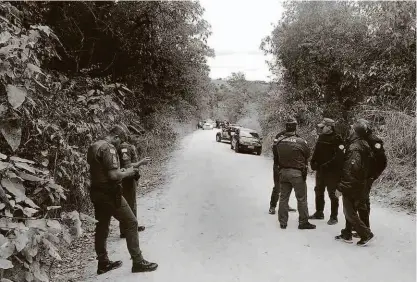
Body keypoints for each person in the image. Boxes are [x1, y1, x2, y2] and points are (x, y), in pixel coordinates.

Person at [87, 125, 158, 274]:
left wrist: (121, 171)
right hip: (110, 194)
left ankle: (103, 263)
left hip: (96, 193)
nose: (120, 146)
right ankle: (138, 261)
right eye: (120, 142)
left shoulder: (94, 145)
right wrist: (129, 172)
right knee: (131, 222)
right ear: (116, 137)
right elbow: (113, 175)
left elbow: (102, 172)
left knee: (102, 227)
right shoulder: (109, 148)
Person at [335, 119, 375, 246]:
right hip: (360, 183)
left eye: (352, 129)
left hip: (353, 185)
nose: (350, 130)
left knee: (349, 212)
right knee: (352, 209)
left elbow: (350, 171)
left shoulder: (354, 148)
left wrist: (341, 187)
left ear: (355, 132)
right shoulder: (364, 144)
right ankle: (347, 233)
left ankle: (366, 233)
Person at [276, 118, 316, 230]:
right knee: (301, 198)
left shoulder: (279, 141)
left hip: (283, 172)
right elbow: (307, 154)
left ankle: (283, 222)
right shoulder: (301, 142)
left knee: (283, 198)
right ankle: (303, 222)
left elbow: (276, 156)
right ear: (295, 128)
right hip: (297, 173)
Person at [351, 119, 387, 237]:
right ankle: (360, 226)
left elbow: (382, 161)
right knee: (361, 200)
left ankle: (365, 228)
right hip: (360, 176)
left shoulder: (373, 140)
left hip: (367, 176)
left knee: (362, 201)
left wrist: (373, 176)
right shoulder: (360, 139)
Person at [309, 118, 345, 225]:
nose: (321, 128)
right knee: (318, 191)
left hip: (332, 173)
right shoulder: (321, 137)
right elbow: (317, 151)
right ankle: (319, 212)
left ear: (329, 127)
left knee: (333, 194)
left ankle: (334, 217)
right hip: (320, 171)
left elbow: (339, 156)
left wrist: (327, 165)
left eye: (323, 127)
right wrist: (313, 162)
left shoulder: (337, 139)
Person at [118, 138, 149, 238]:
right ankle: (127, 229)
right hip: (127, 179)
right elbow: (127, 165)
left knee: (131, 203)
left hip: (129, 178)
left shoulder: (127, 146)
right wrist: (141, 162)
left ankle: (131, 227)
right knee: (129, 203)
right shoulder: (124, 147)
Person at [269, 129, 297, 215]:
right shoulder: (279, 136)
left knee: (287, 187)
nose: (291, 127)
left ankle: (285, 205)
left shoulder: (296, 137)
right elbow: (274, 149)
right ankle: (272, 206)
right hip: (278, 165)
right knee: (277, 186)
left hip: (289, 166)